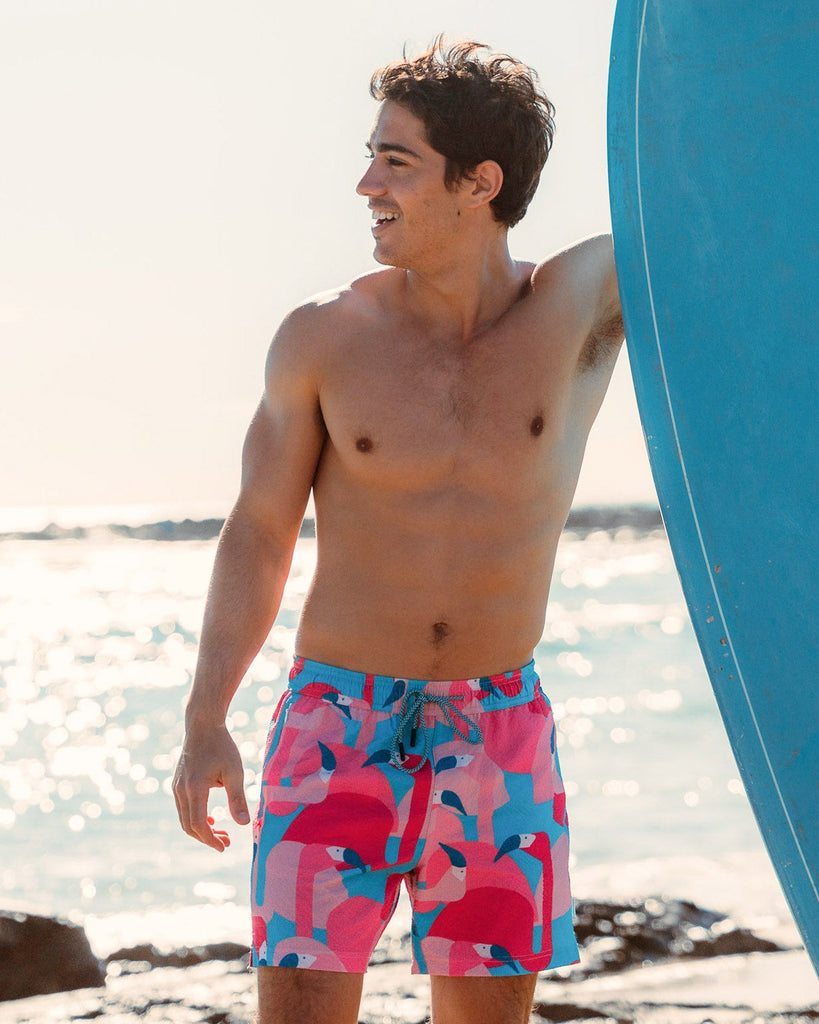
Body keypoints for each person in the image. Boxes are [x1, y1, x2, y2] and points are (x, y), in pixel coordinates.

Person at [173, 37, 624, 1024]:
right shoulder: (324, 337)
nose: (365, 184)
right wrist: (207, 717)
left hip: (499, 726)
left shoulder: (581, 303)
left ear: (480, 183)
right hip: (337, 723)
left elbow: (717, 212)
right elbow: (259, 530)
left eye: (396, 161)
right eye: (372, 157)